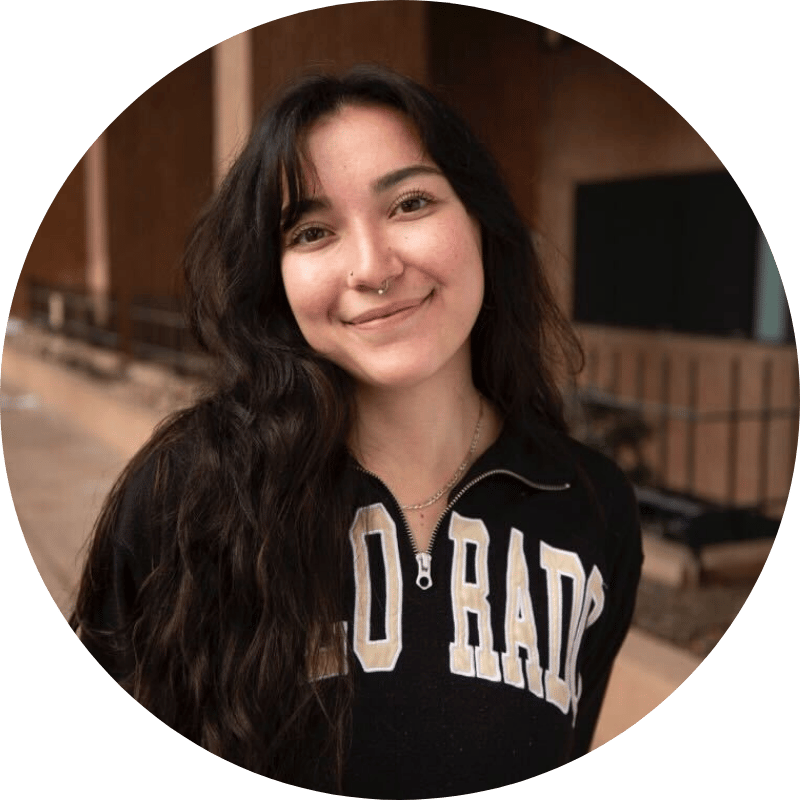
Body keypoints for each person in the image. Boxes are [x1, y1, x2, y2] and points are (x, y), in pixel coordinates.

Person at [71, 65, 642, 798]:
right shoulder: (186, 495)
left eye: (410, 203)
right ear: (274, 276)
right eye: (312, 231)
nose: (373, 268)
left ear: (480, 221)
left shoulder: (591, 505)